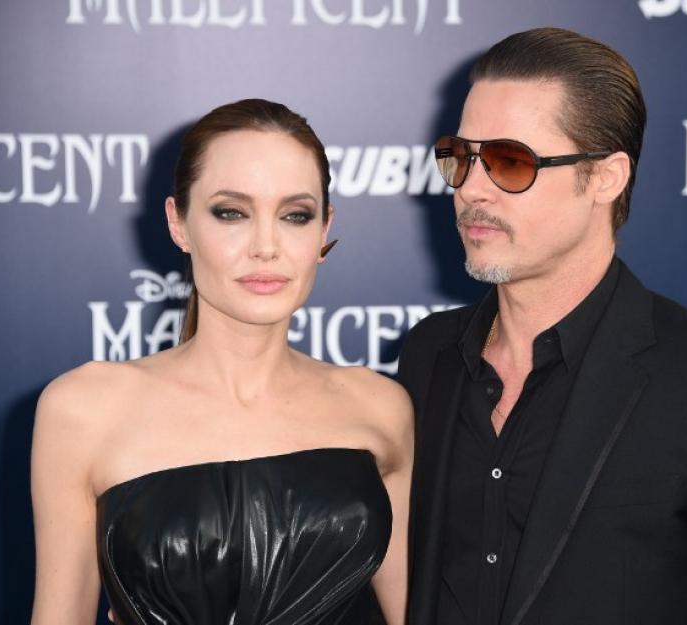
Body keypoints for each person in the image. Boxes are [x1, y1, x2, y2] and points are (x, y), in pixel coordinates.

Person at [398, 28, 687, 625]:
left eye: (511, 161)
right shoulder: (430, 355)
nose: (471, 189)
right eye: (462, 156)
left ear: (606, 177)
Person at [29, 99, 411, 625]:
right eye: (231, 212)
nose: (265, 246)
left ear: (324, 230)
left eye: (295, 215)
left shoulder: (382, 408)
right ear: (178, 223)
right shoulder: (82, 411)